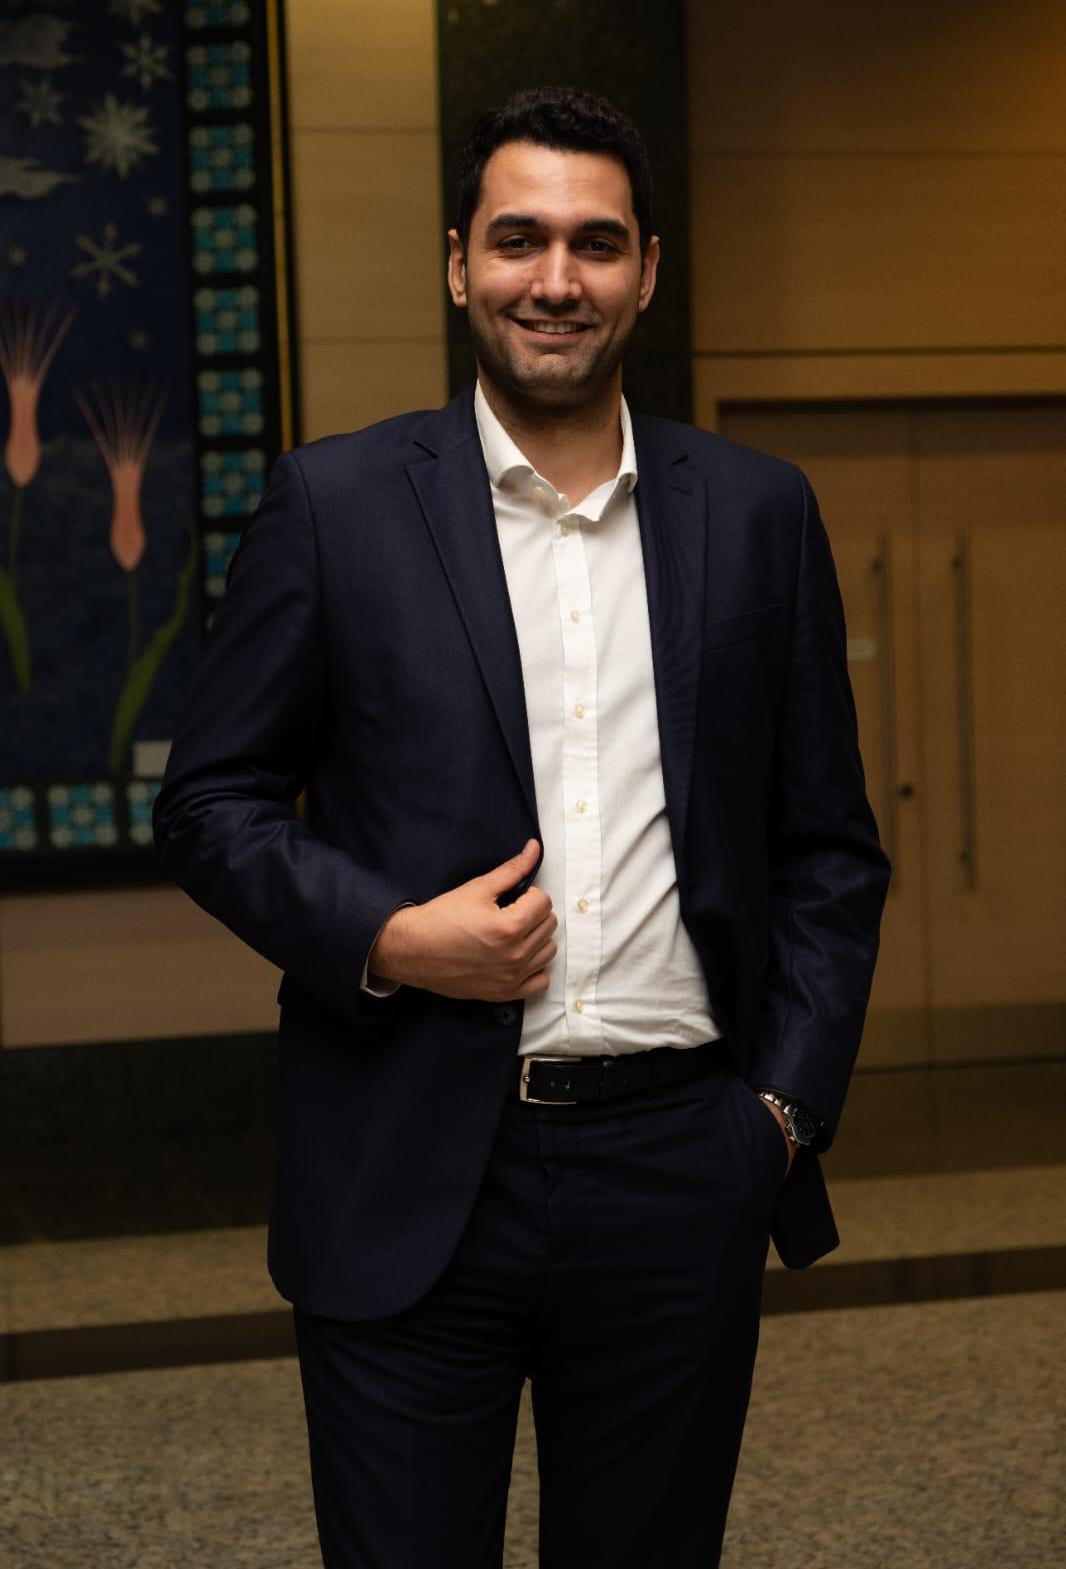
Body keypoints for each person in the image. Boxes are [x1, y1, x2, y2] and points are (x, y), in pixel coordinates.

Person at [154, 86, 890, 1568]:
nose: (555, 279)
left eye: (594, 244)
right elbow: (209, 801)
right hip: (407, 1161)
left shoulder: (755, 513)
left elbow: (825, 846)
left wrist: (780, 1113)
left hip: (682, 1165)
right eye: (518, 240)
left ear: (646, 270)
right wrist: (383, 933)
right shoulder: (334, 504)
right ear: (455, 263)